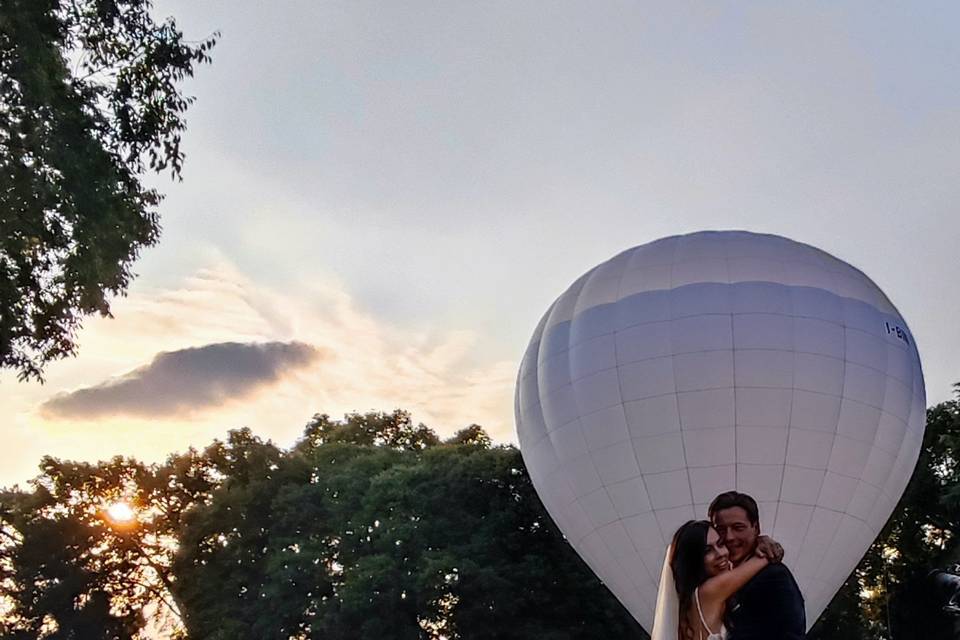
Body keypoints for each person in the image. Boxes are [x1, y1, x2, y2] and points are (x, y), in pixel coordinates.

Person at [709, 491, 805, 640]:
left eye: (738, 528)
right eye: (721, 530)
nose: (729, 537)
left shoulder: (774, 576)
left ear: (756, 528)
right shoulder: (717, 576)